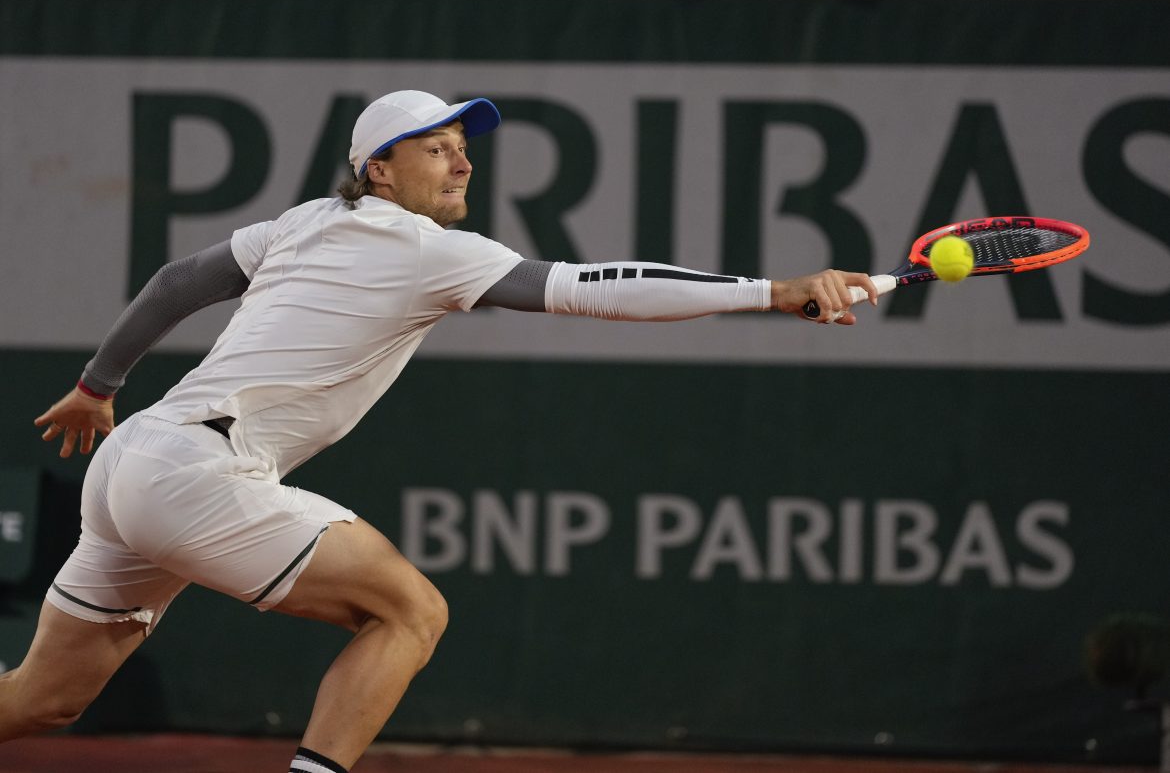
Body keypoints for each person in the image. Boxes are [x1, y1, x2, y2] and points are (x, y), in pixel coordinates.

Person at [1, 90, 877, 773]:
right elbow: (603, 285)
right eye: (436, 147)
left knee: (42, 699)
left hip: (129, 463)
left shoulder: (304, 221)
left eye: (464, 148)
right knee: (411, 611)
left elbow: (176, 278)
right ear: (378, 170)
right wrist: (770, 289)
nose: (461, 162)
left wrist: (95, 385)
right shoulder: (425, 248)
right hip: (200, 472)